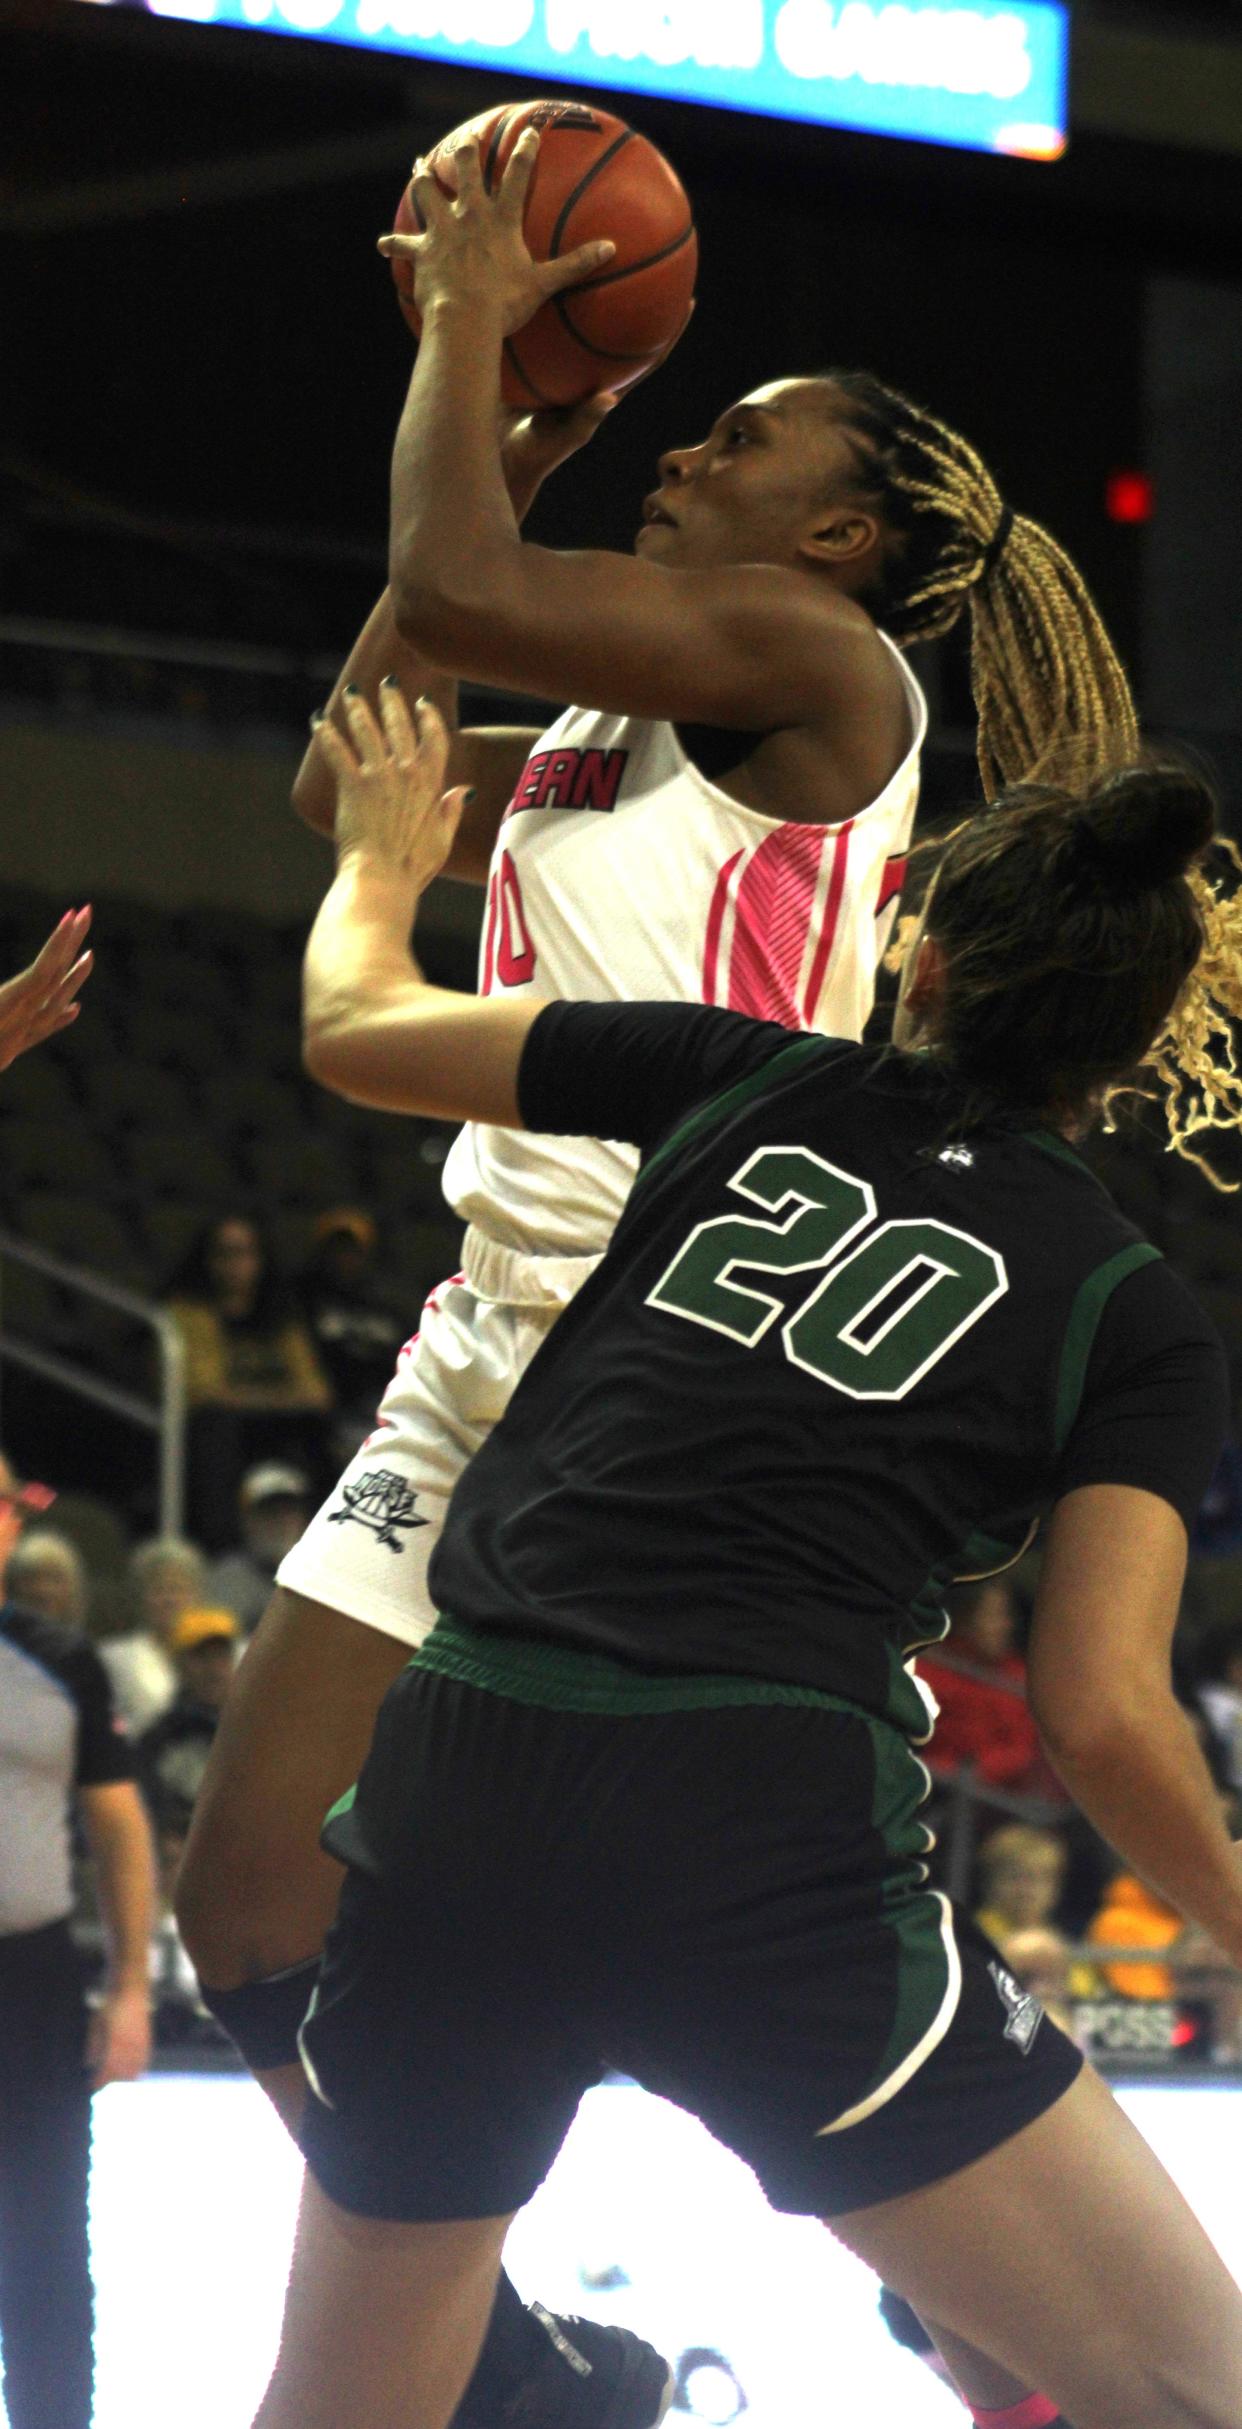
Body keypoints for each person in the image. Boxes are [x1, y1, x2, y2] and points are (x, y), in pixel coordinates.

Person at [179, 128, 1160, 2429]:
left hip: (672, 1374)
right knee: (248, 1911)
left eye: (738, 440)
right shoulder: (636, 696)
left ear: (834, 538)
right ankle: (513, 2364)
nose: (693, 449)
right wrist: (538, 413)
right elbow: (381, 726)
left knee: (776, 2036)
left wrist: (464, 336)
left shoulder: (817, 664)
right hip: (481, 1361)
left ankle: (1015, 2355)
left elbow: (456, 586)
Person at [252, 689, 1242, 2429]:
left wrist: (377, 859)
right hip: (753, 1819)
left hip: (466, 1757)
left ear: (912, 954)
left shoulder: (742, 1065)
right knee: (1183, 2386)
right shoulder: (1124, 1306)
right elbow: (1098, 1713)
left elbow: (356, 1025)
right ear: (1129, 1055)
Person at [0, 1448, 155, 2429]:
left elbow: (119, 1827)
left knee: (47, 2241)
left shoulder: (58, 1655)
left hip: (30, 1978)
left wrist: (132, 1984)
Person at [163, 1211, 331, 1549]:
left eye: (245, 1253)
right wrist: (279, 1397)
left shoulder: (280, 1314)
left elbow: (316, 1393)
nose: (236, 1264)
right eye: (226, 1253)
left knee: (321, 1431)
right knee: (215, 1427)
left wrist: (254, 1398)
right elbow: (203, 1391)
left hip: (276, 1425)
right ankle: (223, 1545)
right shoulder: (188, 1312)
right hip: (220, 1429)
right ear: (208, 1260)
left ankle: (323, 1540)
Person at [297, 1209, 408, 1463]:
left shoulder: (389, 1305)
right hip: (325, 1413)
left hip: (381, 1410)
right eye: (337, 1248)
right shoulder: (302, 1299)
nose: (345, 1257)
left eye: (352, 1249)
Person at [136, 1606, 240, 1834]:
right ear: (179, 1666)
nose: (214, 1670)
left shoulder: (254, 1730)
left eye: (222, 1656)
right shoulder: (159, 1740)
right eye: (201, 1658)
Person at [101, 1531, 208, 1733]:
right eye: (160, 1590)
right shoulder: (115, 1657)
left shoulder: (223, 1655)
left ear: (198, 1596)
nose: (170, 1600)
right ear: (140, 1596)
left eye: (179, 1589)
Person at [206, 1463, 316, 1636]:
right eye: (270, 1512)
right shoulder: (227, 1579)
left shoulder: (322, 1574)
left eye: (289, 1511)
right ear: (247, 1521)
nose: (281, 1522)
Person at [4, 1525, 90, 1629]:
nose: (43, 1590)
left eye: (55, 1580)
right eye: (32, 1579)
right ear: (13, 1585)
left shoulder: (82, 1643)